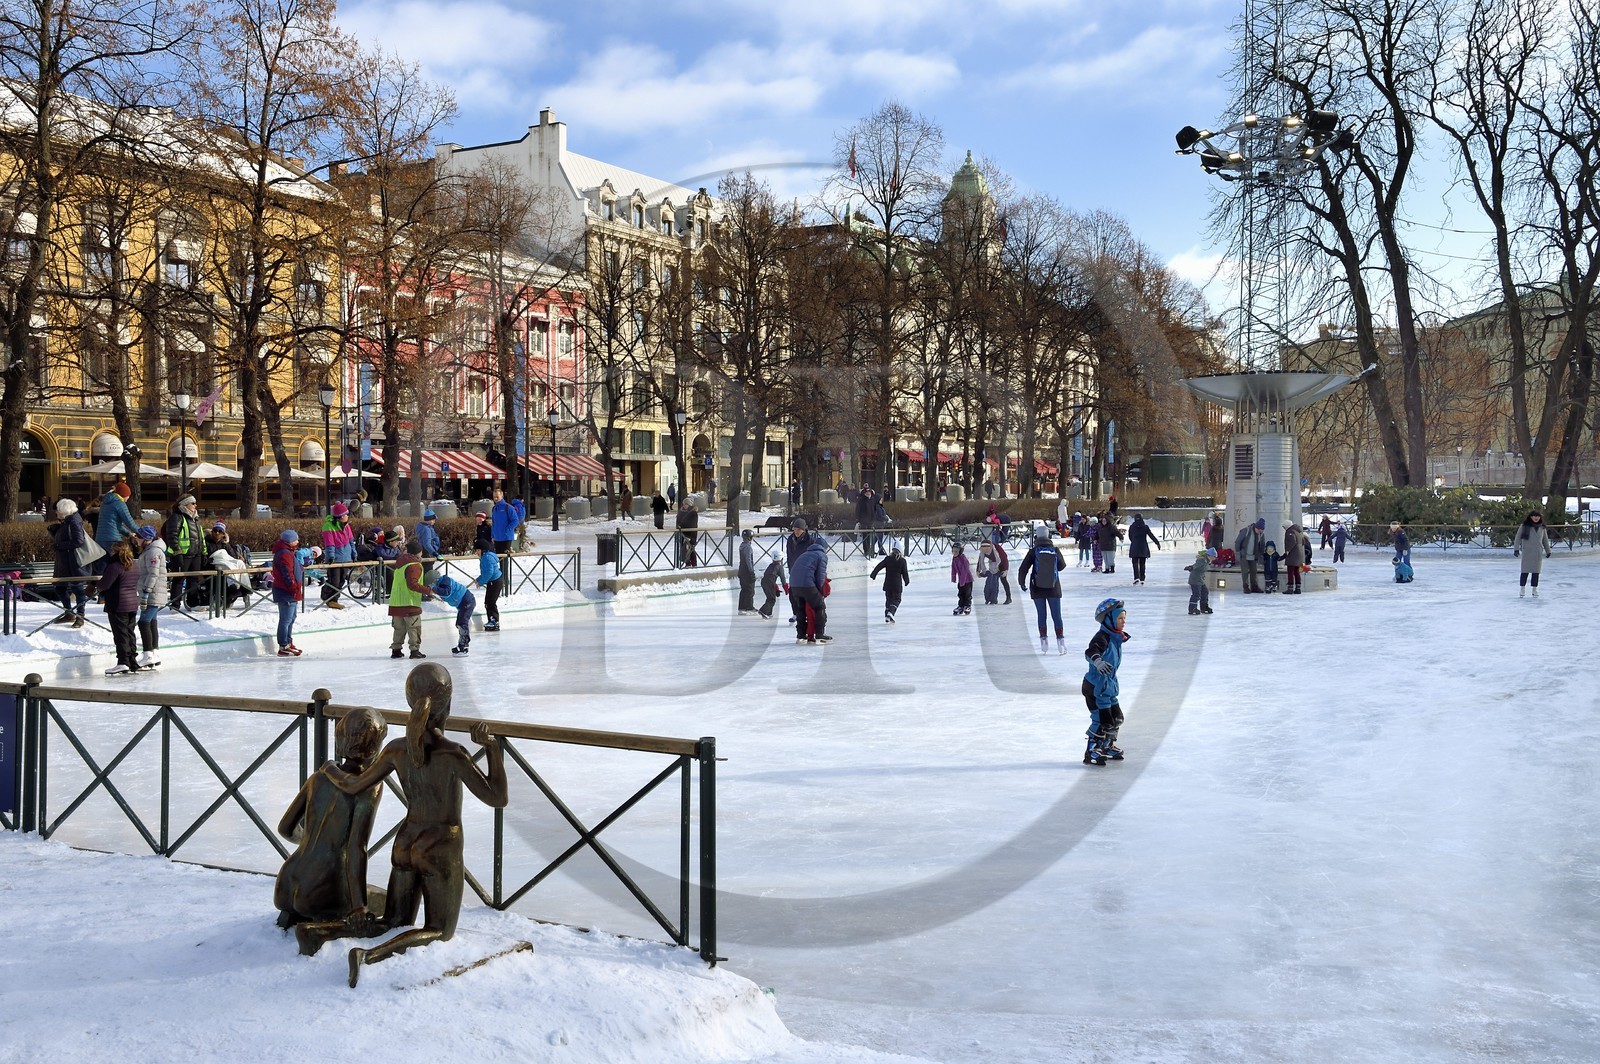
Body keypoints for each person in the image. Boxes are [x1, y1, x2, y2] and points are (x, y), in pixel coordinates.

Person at [332, 664, 508, 988]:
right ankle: (367, 957)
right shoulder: (453, 754)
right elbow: (497, 797)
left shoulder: (396, 749)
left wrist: (330, 771)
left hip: (406, 840)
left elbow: (354, 785)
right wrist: (493, 748)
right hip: (440, 846)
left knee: (394, 920)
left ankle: (325, 931)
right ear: (448, 705)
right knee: (440, 930)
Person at [274, 706, 388, 943]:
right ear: (374, 748)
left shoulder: (319, 777)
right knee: (386, 902)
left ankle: (295, 913)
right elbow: (357, 849)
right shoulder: (369, 786)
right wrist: (359, 907)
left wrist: (310, 841)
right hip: (321, 889)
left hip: (286, 882)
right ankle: (318, 927)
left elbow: (285, 828)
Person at [1081, 598, 1129, 766]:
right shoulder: (1102, 637)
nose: (1123, 622)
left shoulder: (1115, 637)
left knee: (1116, 718)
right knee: (1101, 720)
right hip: (1095, 687)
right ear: (1109, 619)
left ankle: (1106, 745)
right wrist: (1098, 662)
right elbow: (1090, 651)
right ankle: (1092, 749)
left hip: (1109, 686)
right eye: (1120, 618)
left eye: (1124, 618)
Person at [95, 538, 142, 675]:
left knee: (121, 634)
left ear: (115, 551)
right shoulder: (134, 564)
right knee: (129, 632)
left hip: (118, 603)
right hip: (132, 602)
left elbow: (105, 584)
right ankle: (132, 660)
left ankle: (123, 662)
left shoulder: (115, 565)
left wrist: (96, 585)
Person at [1017, 526, 1065, 654]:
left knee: (1041, 615)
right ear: (1048, 535)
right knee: (1056, 616)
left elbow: (1023, 569)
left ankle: (1043, 641)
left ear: (1036, 536)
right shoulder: (1054, 550)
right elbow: (1062, 566)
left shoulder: (1033, 551)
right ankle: (1060, 642)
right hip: (1054, 588)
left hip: (1037, 588)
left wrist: (1022, 583)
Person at [387, 534, 433, 659]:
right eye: (421, 552)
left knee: (399, 629)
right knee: (414, 628)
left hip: (396, 602)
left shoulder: (401, 563)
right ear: (418, 553)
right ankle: (414, 651)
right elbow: (413, 584)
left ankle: (396, 650)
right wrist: (428, 591)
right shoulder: (414, 565)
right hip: (410, 602)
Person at [49, 497, 89, 627]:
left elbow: (78, 541)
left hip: (72, 562)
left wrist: (59, 545)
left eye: (58, 511)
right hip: (64, 562)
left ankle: (80, 616)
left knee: (77, 589)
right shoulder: (68, 521)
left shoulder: (74, 521)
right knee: (59, 587)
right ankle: (69, 613)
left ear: (64, 511)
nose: (56, 513)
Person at [134, 525, 168, 667]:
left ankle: (148, 653)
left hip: (153, 593)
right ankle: (154, 653)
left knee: (144, 622)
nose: (136, 539)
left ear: (147, 539)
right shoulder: (150, 550)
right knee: (152, 622)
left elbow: (153, 573)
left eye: (139, 537)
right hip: (153, 592)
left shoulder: (153, 552)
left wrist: (146, 591)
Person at [789, 530, 830, 643]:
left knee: (801, 609)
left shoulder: (806, 554)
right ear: (824, 548)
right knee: (819, 606)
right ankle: (820, 634)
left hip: (794, 585)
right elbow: (820, 576)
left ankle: (801, 635)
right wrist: (819, 590)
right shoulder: (821, 555)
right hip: (806, 585)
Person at [164, 495, 204, 611]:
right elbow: (172, 536)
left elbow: (200, 537)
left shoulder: (195, 518)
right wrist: (177, 552)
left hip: (195, 554)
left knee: (194, 579)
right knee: (178, 580)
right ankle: (175, 605)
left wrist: (202, 553)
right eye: (193, 503)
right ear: (185, 505)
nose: (195, 506)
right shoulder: (176, 517)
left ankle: (193, 603)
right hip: (182, 554)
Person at [270, 529, 305, 657]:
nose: (298, 541)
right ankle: (283, 644)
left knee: (291, 618)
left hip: (290, 591)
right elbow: (287, 573)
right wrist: (293, 588)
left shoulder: (288, 552)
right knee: (286, 619)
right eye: (295, 539)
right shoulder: (285, 554)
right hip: (286, 591)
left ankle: (288, 642)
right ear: (289, 541)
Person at [93, 481, 138, 574]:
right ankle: (117, 586)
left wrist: (128, 534)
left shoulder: (105, 503)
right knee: (121, 565)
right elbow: (129, 522)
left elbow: (116, 525)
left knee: (103, 566)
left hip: (100, 539)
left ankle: (100, 586)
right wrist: (143, 533)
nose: (128, 498)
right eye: (128, 495)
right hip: (112, 540)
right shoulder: (119, 503)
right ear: (123, 495)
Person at [319, 502, 355, 609]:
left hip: (346, 558)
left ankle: (335, 599)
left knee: (341, 580)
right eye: (346, 514)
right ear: (340, 516)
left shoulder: (347, 526)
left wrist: (354, 554)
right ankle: (327, 596)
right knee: (334, 580)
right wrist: (331, 556)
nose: (348, 516)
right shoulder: (328, 526)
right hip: (335, 559)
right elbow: (329, 543)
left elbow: (351, 541)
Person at [432, 573, 476, 655]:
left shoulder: (445, 580)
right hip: (462, 603)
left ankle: (464, 646)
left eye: (431, 583)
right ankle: (461, 644)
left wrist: (433, 588)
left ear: (435, 580)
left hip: (467, 601)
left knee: (462, 624)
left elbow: (446, 592)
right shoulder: (441, 583)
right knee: (459, 624)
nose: (431, 585)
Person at [1513, 510, 1552, 597]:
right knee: (1524, 571)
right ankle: (1522, 588)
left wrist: (1548, 550)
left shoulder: (1542, 527)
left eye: (1538, 516)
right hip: (1527, 551)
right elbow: (1517, 538)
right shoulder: (1524, 526)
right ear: (1531, 517)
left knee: (1536, 572)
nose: (1536, 518)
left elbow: (1545, 540)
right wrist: (1516, 549)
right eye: (1534, 516)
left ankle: (1534, 589)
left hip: (1537, 552)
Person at [869, 546, 909, 623]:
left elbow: (879, 566)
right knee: (897, 599)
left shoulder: (888, 559)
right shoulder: (902, 561)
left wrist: (873, 574)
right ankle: (891, 612)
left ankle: (887, 615)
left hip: (887, 584)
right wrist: (907, 581)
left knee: (889, 600)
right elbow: (905, 573)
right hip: (897, 585)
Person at [471, 540, 503, 631]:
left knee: (491, 602)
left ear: (483, 550)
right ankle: (491, 620)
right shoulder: (485, 557)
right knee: (487, 602)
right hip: (493, 581)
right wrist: (478, 579)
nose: (476, 552)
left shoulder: (486, 558)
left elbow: (489, 573)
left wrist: (481, 582)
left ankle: (494, 621)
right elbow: (485, 573)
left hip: (495, 582)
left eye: (477, 550)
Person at [1127, 513, 1161, 585]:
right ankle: (1142, 578)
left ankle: (1136, 577)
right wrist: (1157, 543)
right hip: (1143, 547)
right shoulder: (1145, 527)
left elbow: (1130, 536)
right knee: (1142, 563)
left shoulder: (1132, 527)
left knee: (1135, 563)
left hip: (1134, 547)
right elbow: (1151, 535)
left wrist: (1134, 542)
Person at [1234, 518, 1266, 593]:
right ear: (1256, 527)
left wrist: (1261, 555)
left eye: (1261, 531)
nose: (1259, 532)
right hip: (1244, 555)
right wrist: (1238, 553)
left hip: (1253, 556)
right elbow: (1238, 542)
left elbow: (1262, 546)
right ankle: (1245, 587)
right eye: (1259, 530)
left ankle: (1254, 586)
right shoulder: (1246, 531)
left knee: (1254, 572)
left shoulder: (1261, 534)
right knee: (1245, 572)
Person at [489, 487, 524, 557]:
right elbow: (494, 523)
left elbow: (515, 520)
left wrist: (507, 529)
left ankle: (504, 568)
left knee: (504, 558)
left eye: (497, 497)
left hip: (506, 537)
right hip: (497, 537)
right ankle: (500, 568)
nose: (495, 499)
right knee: (498, 558)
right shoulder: (494, 508)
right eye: (494, 497)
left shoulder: (508, 507)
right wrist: (492, 535)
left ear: (502, 496)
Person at [415, 509, 442, 583]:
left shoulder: (420, 526)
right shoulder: (427, 529)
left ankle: (423, 591)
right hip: (427, 554)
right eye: (434, 519)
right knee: (428, 575)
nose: (435, 521)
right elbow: (427, 544)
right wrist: (435, 553)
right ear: (430, 520)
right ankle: (425, 591)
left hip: (422, 552)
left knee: (422, 573)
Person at [1184, 548, 1214, 616]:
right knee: (1196, 595)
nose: (1215, 558)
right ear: (1210, 555)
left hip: (1200, 580)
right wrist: (1191, 567)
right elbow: (1196, 565)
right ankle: (1192, 609)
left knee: (1205, 592)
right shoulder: (1202, 560)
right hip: (1195, 580)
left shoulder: (1207, 561)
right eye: (1214, 556)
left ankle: (1204, 607)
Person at [757, 555, 788, 620]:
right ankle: (763, 611)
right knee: (772, 599)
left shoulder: (770, 565)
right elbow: (783, 579)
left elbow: (768, 576)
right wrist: (786, 589)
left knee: (770, 597)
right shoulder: (779, 567)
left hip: (764, 582)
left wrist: (776, 589)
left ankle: (769, 613)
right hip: (770, 583)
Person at [1281, 522, 1307, 595]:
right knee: (1296, 571)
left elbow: (1292, 541)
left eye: (1284, 527)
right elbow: (1303, 542)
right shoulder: (1298, 531)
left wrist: (1288, 551)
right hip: (1299, 554)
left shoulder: (1290, 532)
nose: (1284, 529)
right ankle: (1298, 589)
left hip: (1293, 555)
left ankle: (1290, 588)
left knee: (1290, 571)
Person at [950, 543, 974, 616]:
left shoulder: (963, 559)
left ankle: (967, 606)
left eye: (956, 551)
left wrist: (963, 581)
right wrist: (953, 577)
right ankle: (961, 606)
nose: (954, 553)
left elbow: (965, 570)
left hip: (968, 580)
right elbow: (953, 568)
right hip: (961, 580)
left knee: (967, 594)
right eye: (953, 551)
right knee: (960, 594)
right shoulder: (954, 559)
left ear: (960, 552)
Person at [737, 529, 757, 614]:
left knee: (744, 589)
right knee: (750, 590)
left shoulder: (741, 546)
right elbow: (748, 560)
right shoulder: (748, 547)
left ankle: (742, 607)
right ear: (749, 538)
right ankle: (749, 607)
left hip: (741, 570)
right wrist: (751, 572)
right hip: (747, 571)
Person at [675, 501, 700, 567]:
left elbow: (692, 524)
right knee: (685, 549)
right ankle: (688, 563)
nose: (684, 505)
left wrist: (682, 526)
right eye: (684, 504)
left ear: (689, 505)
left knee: (690, 549)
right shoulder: (682, 511)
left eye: (686, 504)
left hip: (690, 533)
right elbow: (679, 521)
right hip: (683, 533)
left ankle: (693, 563)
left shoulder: (693, 513)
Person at [994, 539, 1013, 604]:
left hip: (1002, 565)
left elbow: (1004, 558)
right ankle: (993, 598)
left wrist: (1005, 570)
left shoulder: (997, 548)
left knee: (1004, 580)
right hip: (994, 565)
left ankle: (1009, 597)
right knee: (993, 581)